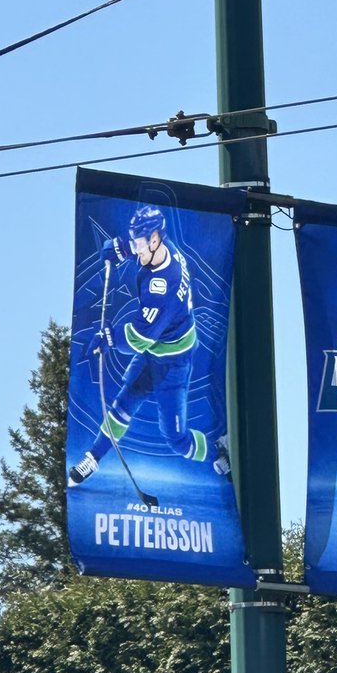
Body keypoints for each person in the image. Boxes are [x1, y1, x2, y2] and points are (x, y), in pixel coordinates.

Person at [68, 204, 230, 486]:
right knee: (122, 405)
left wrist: (109, 337)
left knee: (177, 440)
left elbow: (139, 338)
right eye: (136, 241)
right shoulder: (164, 248)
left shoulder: (163, 287)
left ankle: (220, 451)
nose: (138, 249)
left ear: (155, 239)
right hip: (154, 353)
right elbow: (139, 247)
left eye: (140, 243)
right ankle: (93, 457)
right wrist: (122, 248)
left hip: (173, 363)